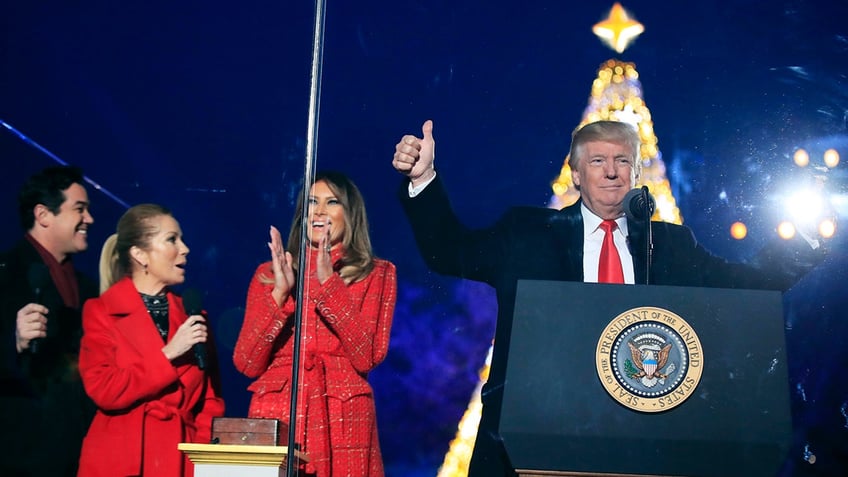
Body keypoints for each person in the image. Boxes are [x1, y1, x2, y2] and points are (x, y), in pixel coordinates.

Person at [392, 119, 826, 476]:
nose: (611, 171)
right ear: (576, 173)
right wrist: (422, 179)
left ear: (636, 173)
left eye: (622, 161)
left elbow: (745, 285)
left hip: (640, 445)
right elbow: (450, 251)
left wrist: (807, 237)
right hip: (528, 440)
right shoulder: (526, 234)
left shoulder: (672, 245)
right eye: (597, 161)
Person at [234, 171, 397, 477]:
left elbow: (367, 356)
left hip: (341, 417)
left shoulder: (376, 272)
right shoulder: (269, 274)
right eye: (312, 202)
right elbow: (246, 363)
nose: (319, 211)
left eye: (331, 202)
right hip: (279, 413)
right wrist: (280, 293)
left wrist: (328, 285)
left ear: (350, 215)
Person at [77, 203, 225, 477]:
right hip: (121, 460)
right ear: (140, 254)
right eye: (172, 239)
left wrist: (201, 457)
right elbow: (104, 389)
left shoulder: (194, 316)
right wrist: (167, 354)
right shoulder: (101, 311)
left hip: (180, 460)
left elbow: (210, 401)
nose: (185, 249)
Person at [0, 165, 97, 476]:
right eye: (79, 209)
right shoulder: (6, 273)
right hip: (20, 453)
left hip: (76, 450)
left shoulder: (88, 287)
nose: (89, 220)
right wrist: (12, 341)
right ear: (43, 215)